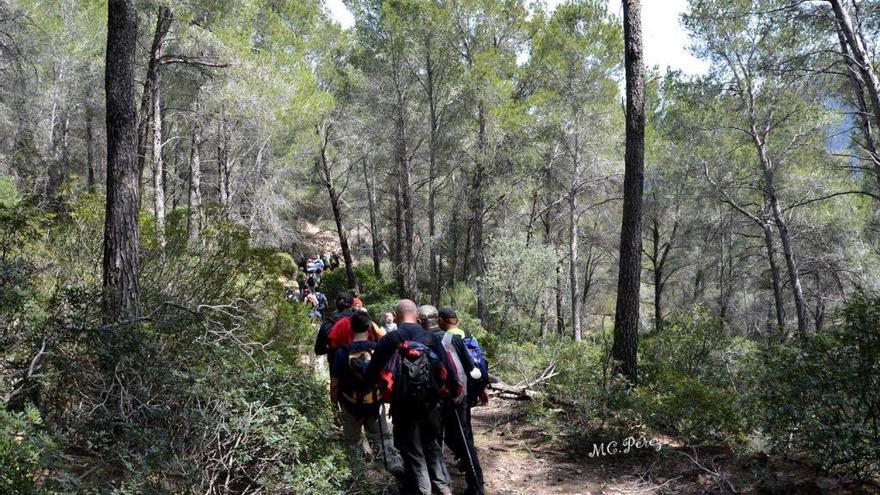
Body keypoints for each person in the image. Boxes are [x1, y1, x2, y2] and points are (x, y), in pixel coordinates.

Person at [365, 300, 455, 495]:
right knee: (433, 449)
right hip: (431, 404)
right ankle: (445, 490)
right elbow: (447, 371)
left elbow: (371, 372)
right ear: (416, 316)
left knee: (414, 454)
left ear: (396, 317)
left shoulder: (390, 339)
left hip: (403, 406)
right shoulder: (430, 337)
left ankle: (423, 490)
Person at [420, 306, 485, 495]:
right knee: (464, 441)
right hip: (456, 399)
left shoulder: (419, 340)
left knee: (433, 443)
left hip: (431, 401)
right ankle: (476, 485)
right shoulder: (454, 339)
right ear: (437, 319)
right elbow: (472, 370)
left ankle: (438, 485)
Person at [331, 312, 404, 475]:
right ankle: (392, 468)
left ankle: (358, 475)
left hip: (349, 403)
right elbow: (386, 375)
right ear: (370, 327)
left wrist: (333, 404)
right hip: (374, 402)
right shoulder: (378, 349)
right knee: (382, 438)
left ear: (351, 327)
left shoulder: (342, 352)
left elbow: (335, 383)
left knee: (352, 441)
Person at [314, 292, 356, 368]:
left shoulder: (329, 322)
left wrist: (330, 348)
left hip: (336, 368)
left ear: (337, 305)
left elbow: (318, 349)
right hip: (359, 368)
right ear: (352, 304)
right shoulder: (362, 320)